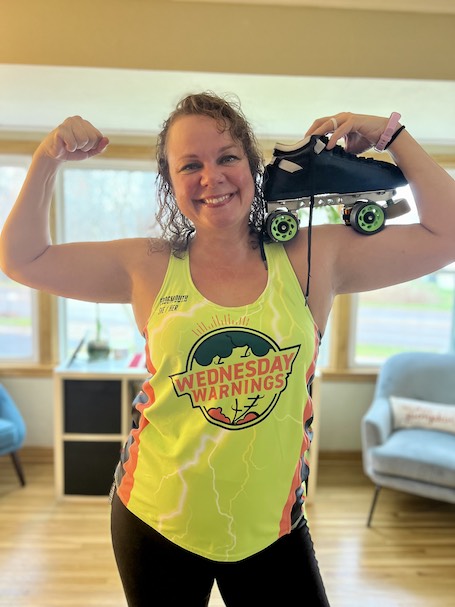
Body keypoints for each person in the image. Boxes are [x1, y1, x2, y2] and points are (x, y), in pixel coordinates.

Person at [1, 92, 455, 607]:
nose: (210, 177)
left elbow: (447, 231)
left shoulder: (314, 255)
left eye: (227, 157)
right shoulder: (146, 264)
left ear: (253, 166)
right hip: (156, 516)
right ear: (170, 183)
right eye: (189, 164)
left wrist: (392, 138)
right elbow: (22, 258)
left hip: (272, 526)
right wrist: (45, 159)